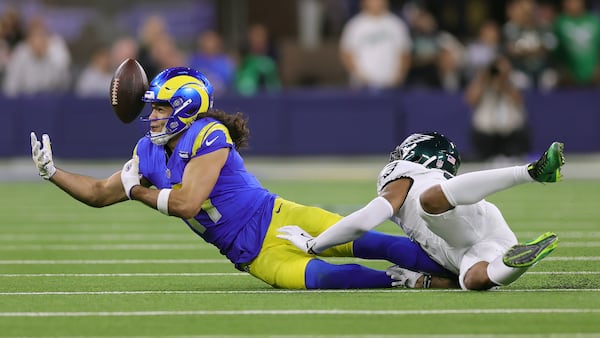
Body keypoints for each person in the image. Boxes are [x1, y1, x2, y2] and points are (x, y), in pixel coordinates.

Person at [30, 67, 457, 290]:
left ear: (183, 106)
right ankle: (421, 281)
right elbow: (102, 194)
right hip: (252, 255)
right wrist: (54, 173)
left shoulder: (207, 133)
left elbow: (186, 204)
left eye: (160, 107)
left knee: (371, 242)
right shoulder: (146, 151)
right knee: (332, 279)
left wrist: (138, 190)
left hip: (277, 215)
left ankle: (460, 264)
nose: (153, 115)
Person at [278, 132, 564, 290]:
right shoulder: (433, 178)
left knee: (430, 203)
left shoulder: (405, 172)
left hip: (455, 220)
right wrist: (422, 282)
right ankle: (515, 262)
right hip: (471, 241)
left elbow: (366, 219)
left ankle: (531, 172)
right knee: (474, 279)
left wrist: (315, 244)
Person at [464, 56, 531, 162]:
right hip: (486, 133)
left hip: (511, 132)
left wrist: (504, 82)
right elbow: (471, 100)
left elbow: (518, 100)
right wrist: (483, 78)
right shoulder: (483, 82)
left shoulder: (515, 79)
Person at [339, 0, 412, 90]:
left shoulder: (396, 24)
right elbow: (346, 54)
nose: (376, 2)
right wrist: (361, 77)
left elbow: (405, 53)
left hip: (391, 85)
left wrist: (399, 76)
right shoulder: (354, 25)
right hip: (362, 86)